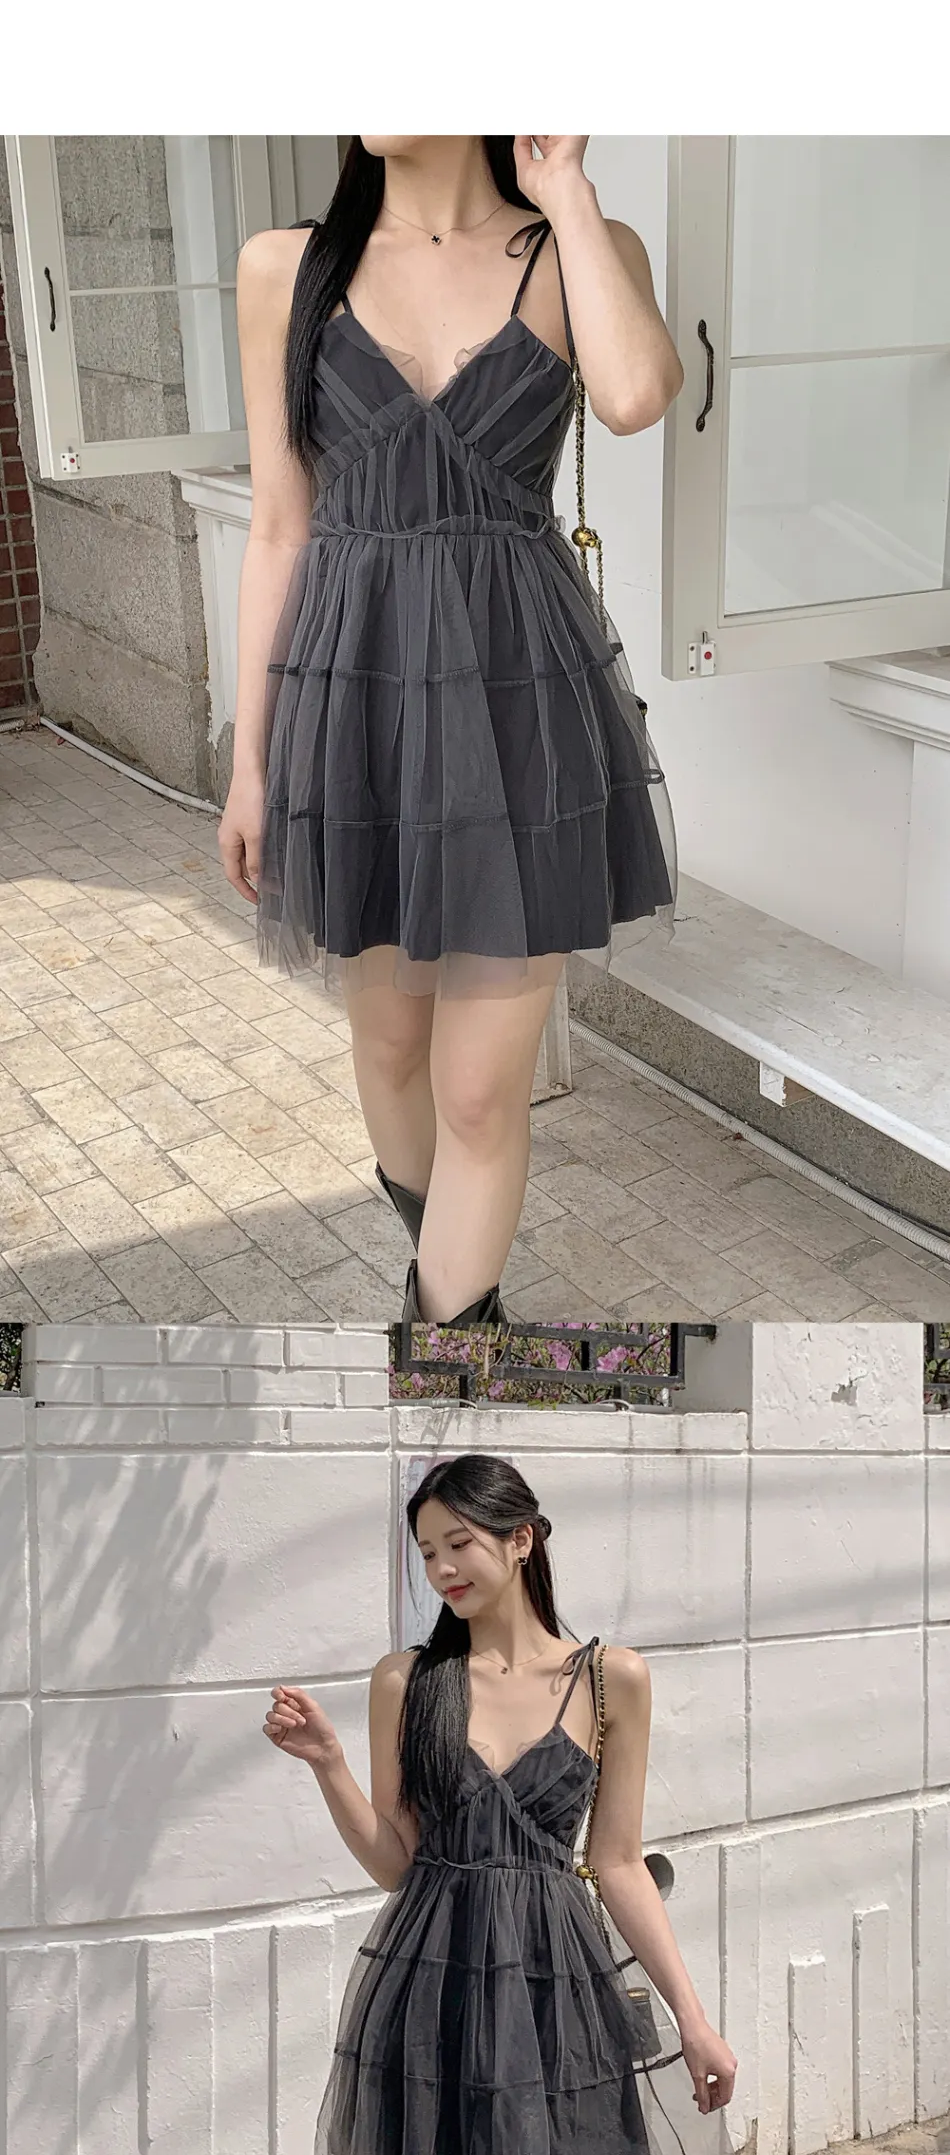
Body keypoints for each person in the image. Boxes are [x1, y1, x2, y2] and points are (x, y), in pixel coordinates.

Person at [218, 132, 682, 1329]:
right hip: (354, 703)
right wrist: (250, 763)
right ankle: (457, 1316)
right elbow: (279, 526)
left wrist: (563, 185)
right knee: (388, 1053)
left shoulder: (576, 247)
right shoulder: (285, 266)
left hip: (518, 706)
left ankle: (443, 1354)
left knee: (478, 1094)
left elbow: (636, 395)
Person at [263, 1452, 738, 2151]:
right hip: (433, 1984)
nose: (442, 1569)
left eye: (459, 1544)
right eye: (428, 1553)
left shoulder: (610, 1678)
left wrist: (693, 2021)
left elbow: (617, 1864)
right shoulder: (406, 1681)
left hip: (555, 1981)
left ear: (521, 1540)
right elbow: (397, 1866)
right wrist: (328, 1764)